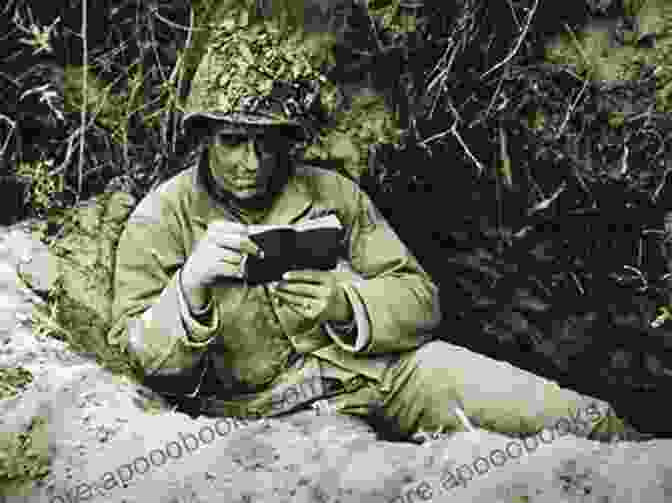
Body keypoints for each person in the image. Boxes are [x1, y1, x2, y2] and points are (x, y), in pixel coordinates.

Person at [107, 79, 643, 443]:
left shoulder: (332, 193)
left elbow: (421, 300)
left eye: (267, 144)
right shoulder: (160, 220)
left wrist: (346, 304)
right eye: (233, 141)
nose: (252, 162)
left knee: (580, 420)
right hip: (263, 419)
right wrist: (191, 288)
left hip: (381, 374)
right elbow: (145, 371)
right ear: (204, 139)